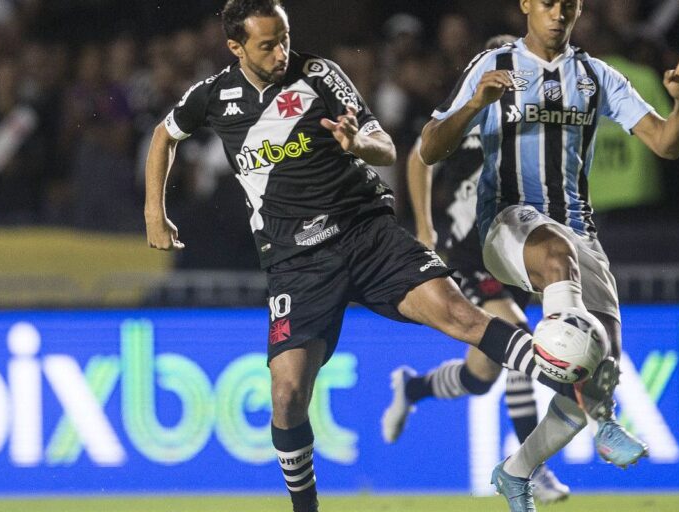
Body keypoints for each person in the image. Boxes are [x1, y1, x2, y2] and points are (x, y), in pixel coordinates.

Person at [144, 2, 606, 511]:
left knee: (460, 316)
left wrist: (357, 144)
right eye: (267, 45)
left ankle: (577, 387)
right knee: (287, 394)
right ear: (236, 47)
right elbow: (165, 135)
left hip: (367, 235)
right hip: (297, 265)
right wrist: (155, 212)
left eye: (285, 38)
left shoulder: (318, 73)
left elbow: (385, 145)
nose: (282, 53)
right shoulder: (213, 96)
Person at [419, 0, 679, 509]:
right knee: (555, 261)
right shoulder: (493, 67)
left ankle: (516, 471)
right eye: (547, 2)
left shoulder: (597, 77)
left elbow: (665, 143)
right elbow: (428, 148)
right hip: (507, 221)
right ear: (525, 4)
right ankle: (590, 404)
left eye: (568, 5)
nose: (558, 13)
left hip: (579, 230)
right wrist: (471, 107)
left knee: (600, 365)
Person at [382, 33, 570, 506]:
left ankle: (415, 386)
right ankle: (533, 469)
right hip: (465, 249)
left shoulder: (531, 124)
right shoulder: (467, 114)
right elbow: (418, 160)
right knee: (514, 331)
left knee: (483, 372)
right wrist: (424, 227)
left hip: (511, 251)